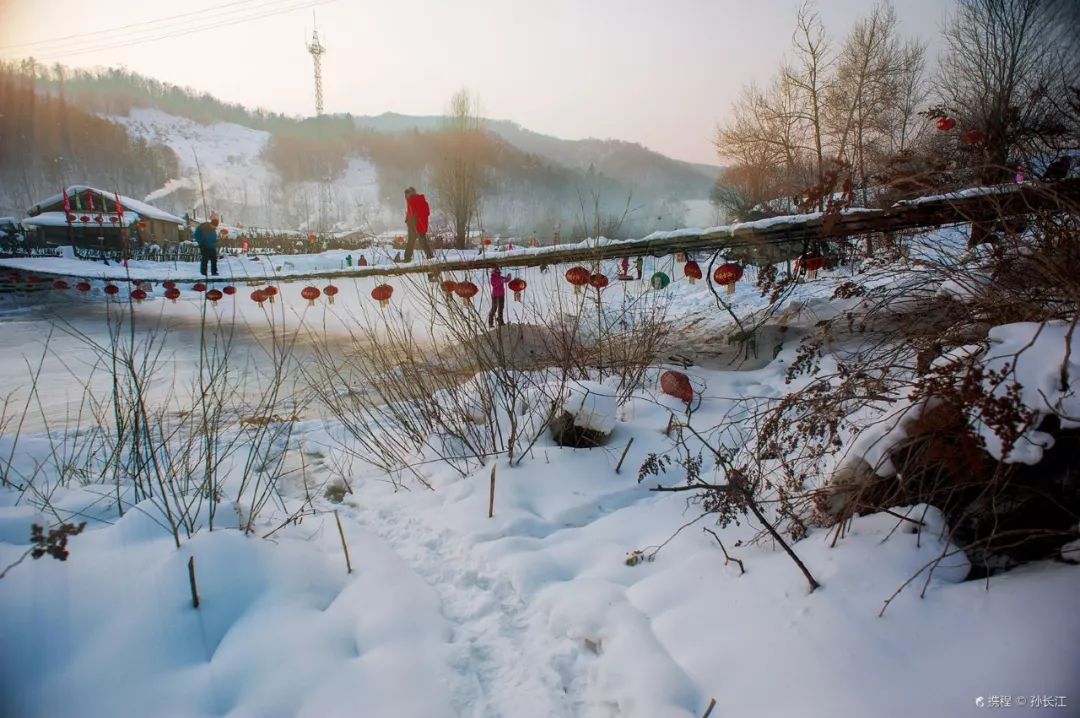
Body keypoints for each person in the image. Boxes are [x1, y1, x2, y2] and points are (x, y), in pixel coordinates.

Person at [403, 187, 433, 262]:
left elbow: (424, 213)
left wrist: (414, 221)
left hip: (418, 226)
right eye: (406, 194)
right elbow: (410, 213)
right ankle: (407, 258)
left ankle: (431, 258)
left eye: (408, 193)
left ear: (412, 193)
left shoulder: (418, 201)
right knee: (411, 243)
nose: (407, 195)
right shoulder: (411, 201)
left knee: (422, 243)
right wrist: (407, 220)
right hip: (413, 226)